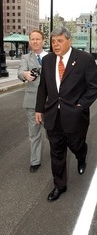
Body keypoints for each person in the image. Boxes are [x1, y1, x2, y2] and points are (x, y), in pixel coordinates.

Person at [35, 27, 97, 202]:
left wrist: (82, 104)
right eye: (53, 41)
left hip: (75, 116)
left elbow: (95, 85)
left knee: (76, 145)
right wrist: (39, 109)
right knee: (56, 151)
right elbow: (43, 87)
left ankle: (82, 155)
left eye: (59, 41)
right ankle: (59, 186)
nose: (55, 44)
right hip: (53, 116)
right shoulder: (48, 60)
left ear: (69, 41)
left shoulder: (84, 59)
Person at [18, 30, 48, 173]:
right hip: (32, 102)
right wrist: (25, 74)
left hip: (50, 103)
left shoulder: (51, 57)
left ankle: (57, 157)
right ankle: (35, 161)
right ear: (29, 41)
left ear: (43, 41)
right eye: (32, 39)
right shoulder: (25, 58)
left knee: (53, 134)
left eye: (38, 39)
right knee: (34, 134)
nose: (35, 41)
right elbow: (20, 72)